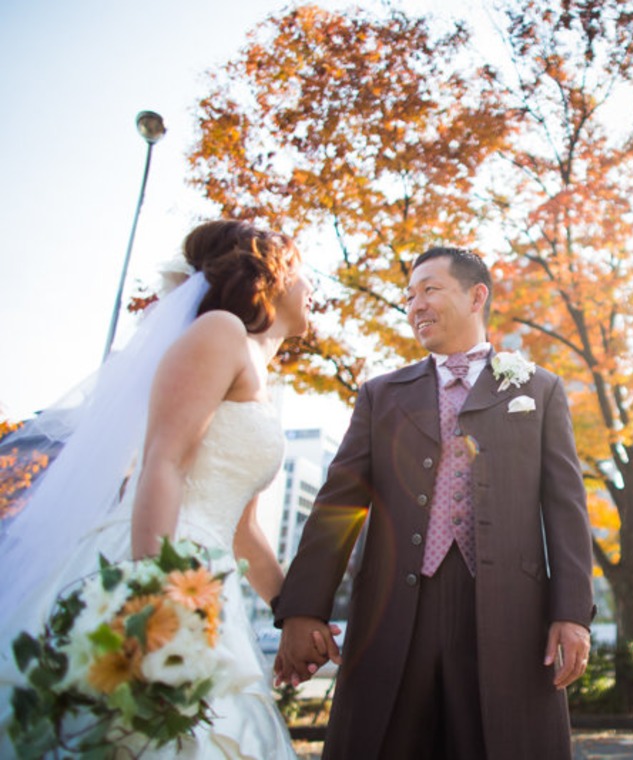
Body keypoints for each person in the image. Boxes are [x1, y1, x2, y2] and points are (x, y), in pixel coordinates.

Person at [0, 219, 312, 757]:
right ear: (272, 276)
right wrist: (151, 598)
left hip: (208, 578)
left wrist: (296, 613)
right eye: (304, 274)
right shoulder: (220, 331)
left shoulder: (263, 377)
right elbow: (164, 462)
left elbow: (244, 530)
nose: (312, 289)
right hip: (159, 559)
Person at [273, 247, 595, 760]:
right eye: (408, 296)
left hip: (510, 615)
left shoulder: (541, 390)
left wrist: (573, 612)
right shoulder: (381, 394)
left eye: (429, 289)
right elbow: (339, 505)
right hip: (396, 611)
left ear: (476, 296)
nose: (415, 305)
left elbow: (565, 509)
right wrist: (303, 609)